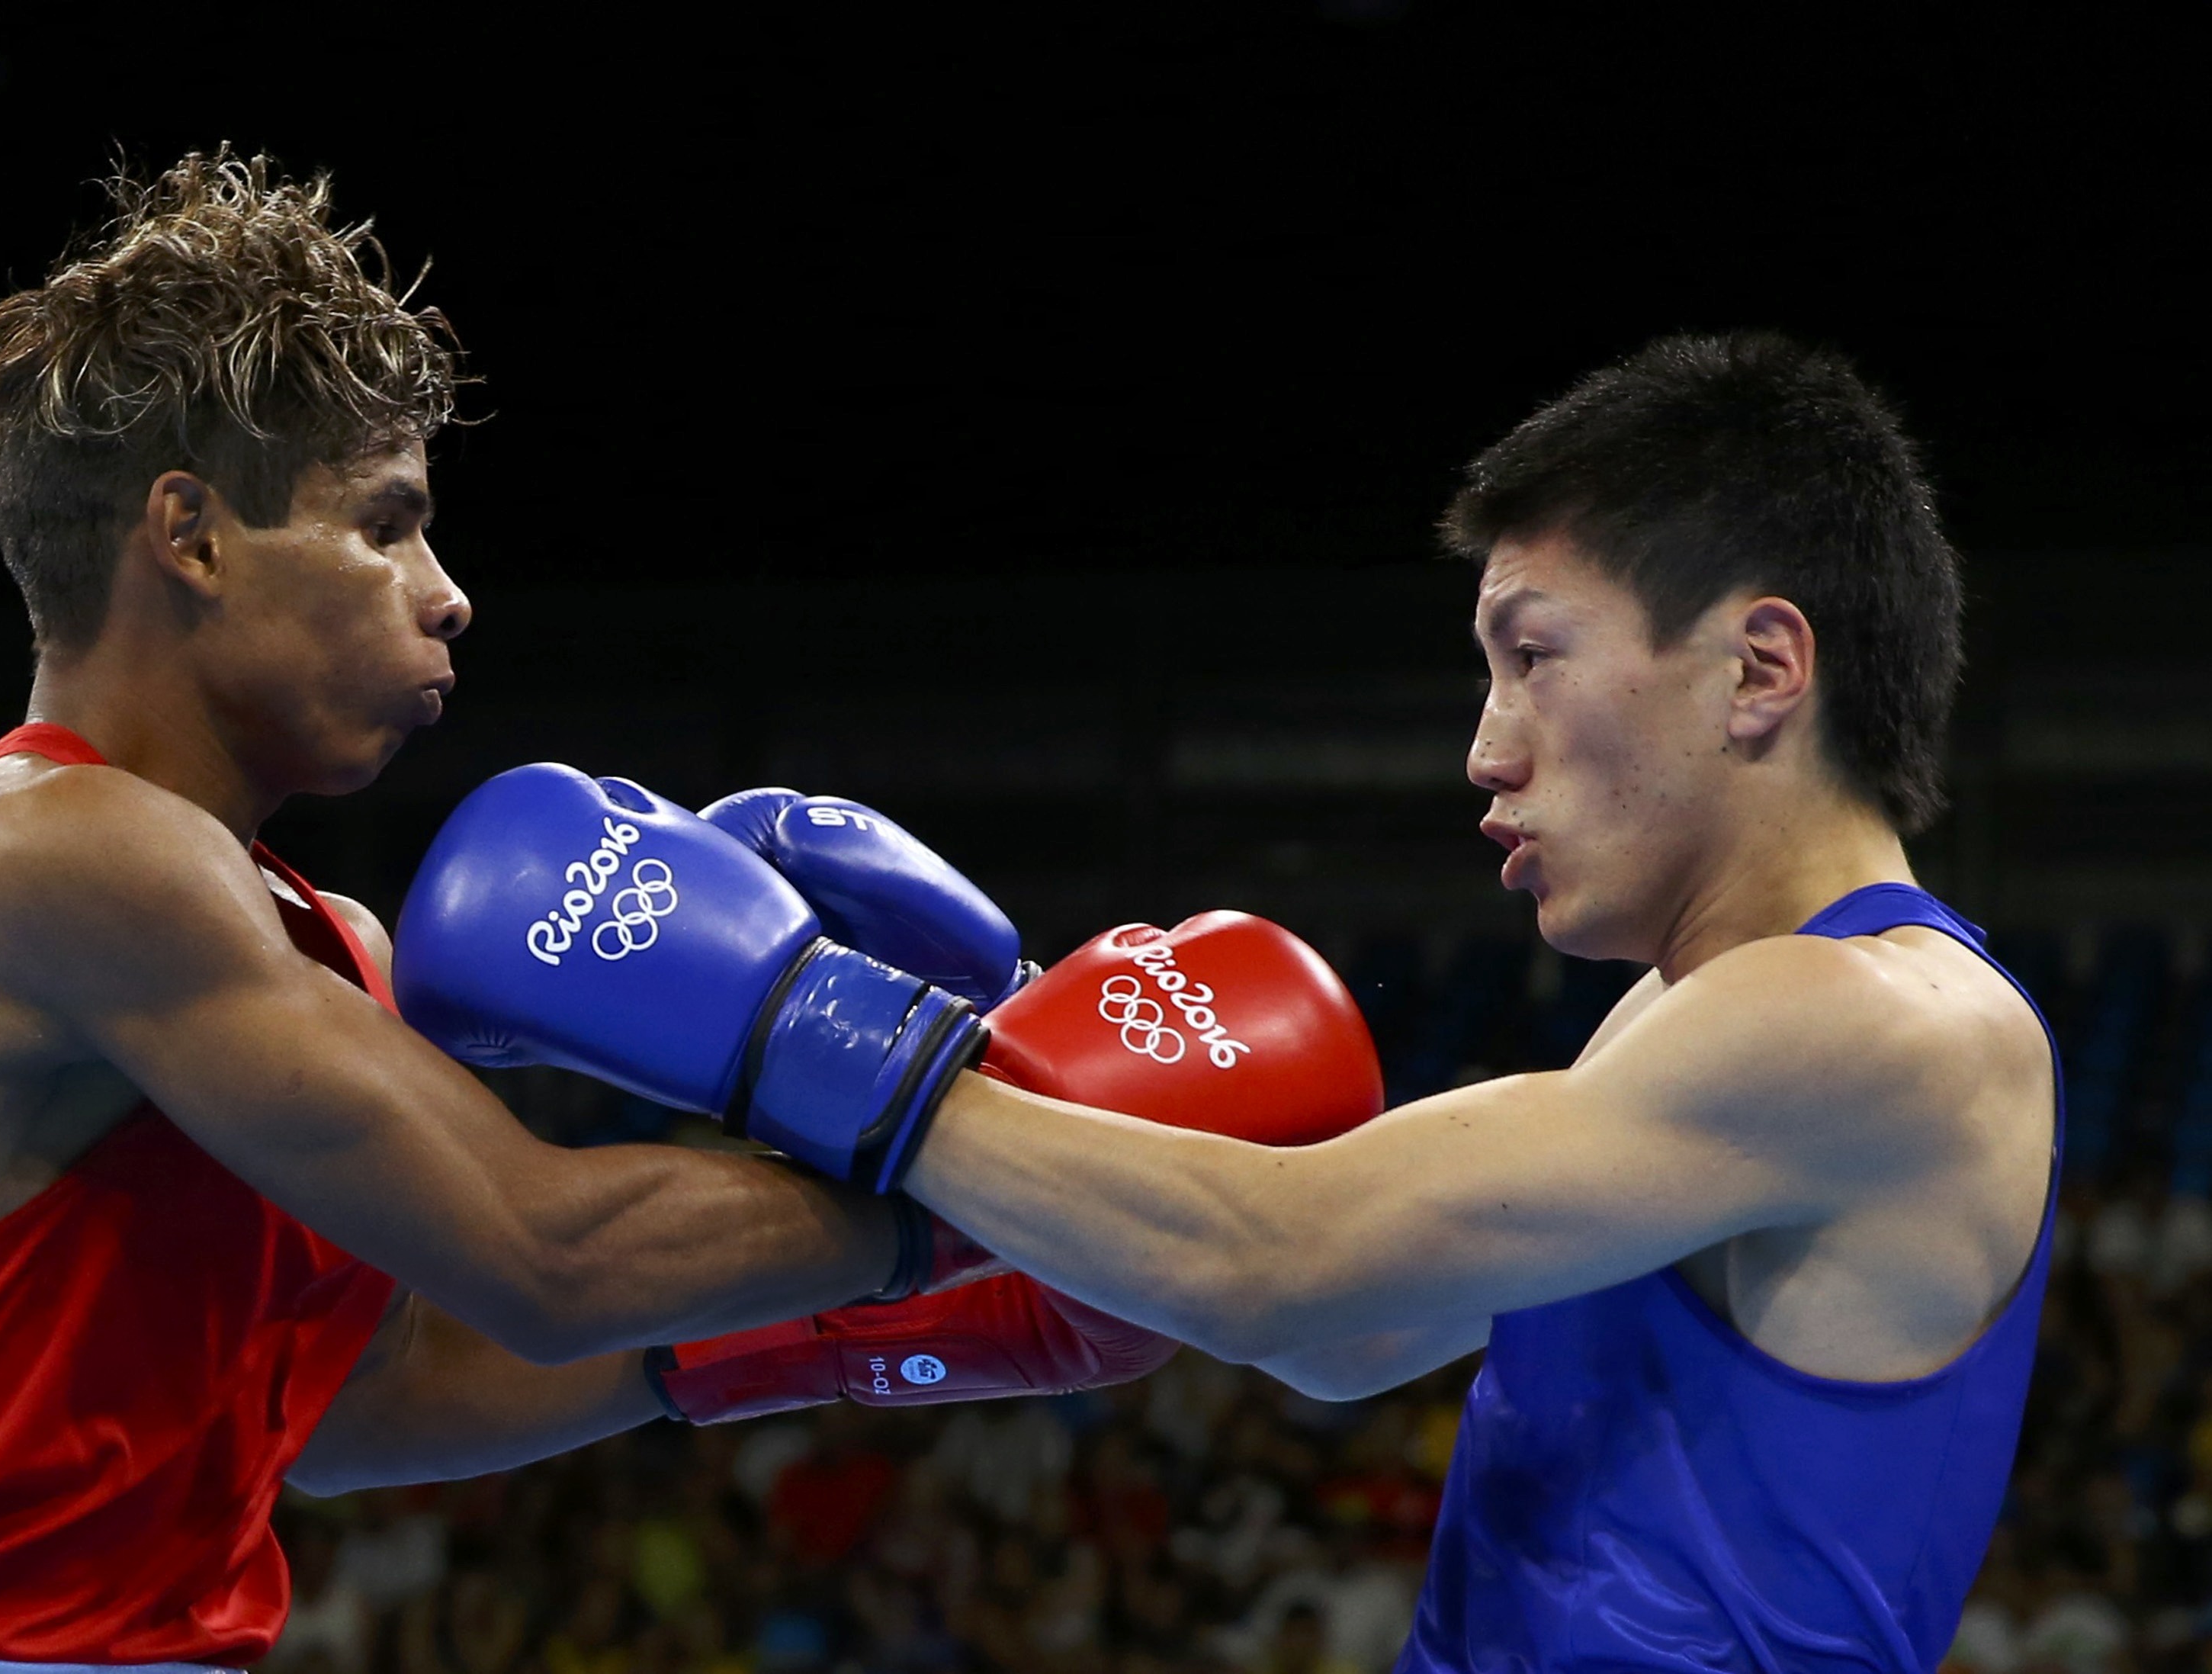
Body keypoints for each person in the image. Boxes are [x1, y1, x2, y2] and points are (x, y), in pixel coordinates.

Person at [0, 149, 1233, 1671]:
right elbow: (546, 1254)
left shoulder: (318, 941)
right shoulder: (26, 851)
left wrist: (848, 1324)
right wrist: (991, 1175)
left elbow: (368, 1401)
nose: (447, 594)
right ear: (192, 536)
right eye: (383, 525)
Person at [425, 333, 2056, 1669]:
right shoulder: (1682, 1029)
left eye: (1532, 655)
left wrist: (810, 1021)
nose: (1486, 751)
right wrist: (1035, 1082)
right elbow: (1352, 1341)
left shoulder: (1886, 1028)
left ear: (1761, 670)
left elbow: (1284, 1261)